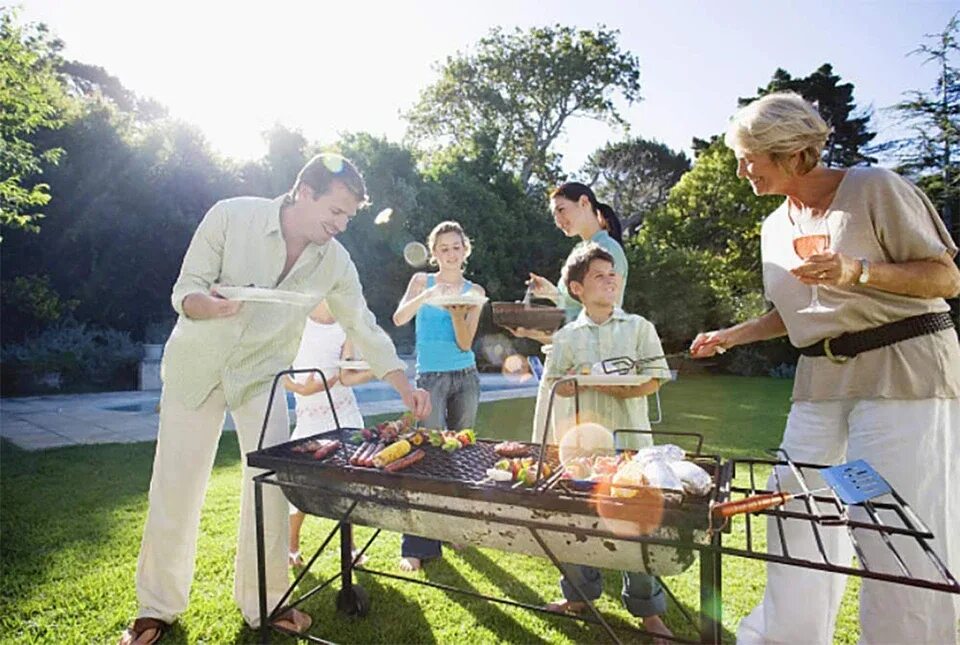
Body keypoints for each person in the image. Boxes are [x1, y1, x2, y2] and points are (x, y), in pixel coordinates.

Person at [118, 153, 431, 645]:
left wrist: (402, 383)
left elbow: (363, 326)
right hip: (196, 367)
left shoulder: (335, 261)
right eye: (335, 211)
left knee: (268, 486)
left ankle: (266, 603)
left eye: (349, 216)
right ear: (303, 192)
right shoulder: (230, 215)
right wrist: (211, 307)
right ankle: (155, 609)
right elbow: (186, 291)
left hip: (262, 377)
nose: (341, 225)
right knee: (175, 488)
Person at [689, 92, 960, 644]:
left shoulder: (873, 187)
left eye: (749, 157)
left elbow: (944, 279)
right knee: (794, 508)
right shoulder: (774, 227)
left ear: (791, 153)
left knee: (887, 521)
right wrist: (731, 336)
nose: (742, 169)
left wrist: (856, 270)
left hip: (899, 372)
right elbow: (795, 313)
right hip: (821, 384)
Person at [538, 243, 673, 642]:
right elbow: (555, 389)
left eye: (613, 273)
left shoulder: (639, 327)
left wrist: (608, 384)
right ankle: (580, 594)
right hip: (582, 444)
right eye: (599, 275)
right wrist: (580, 379)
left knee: (637, 520)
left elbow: (654, 378)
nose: (611, 279)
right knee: (578, 519)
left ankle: (648, 610)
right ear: (577, 289)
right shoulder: (565, 337)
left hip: (631, 438)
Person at [392, 221, 485, 572]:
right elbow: (399, 318)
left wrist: (457, 311)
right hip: (429, 376)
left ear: (465, 250)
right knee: (426, 455)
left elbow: (464, 343)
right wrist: (428, 296)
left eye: (456, 247)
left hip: (465, 376)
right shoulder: (421, 282)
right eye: (443, 248)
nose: (450, 253)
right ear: (434, 254)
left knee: (461, 454)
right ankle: (416, 544)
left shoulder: (474, 290)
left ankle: (454, 528)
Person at [283, 300, 373, 568]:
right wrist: (301, 390)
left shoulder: (347, 320)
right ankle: (291, 546)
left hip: (344, 414)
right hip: (311, 415)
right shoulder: (296, 316)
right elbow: (276, 369)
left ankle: (350, 547)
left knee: (347, 483)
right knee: (300, 484)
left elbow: (346, 376)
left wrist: (376, 369)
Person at [511, 182, 628, 344]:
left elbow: (602, 321)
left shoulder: (608, 249)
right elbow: (572, 309)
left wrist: (532, 332)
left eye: (561, 210)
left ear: (584, 203)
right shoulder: (579, 250)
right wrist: (550, 292)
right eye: (554, 215)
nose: (558, 220)